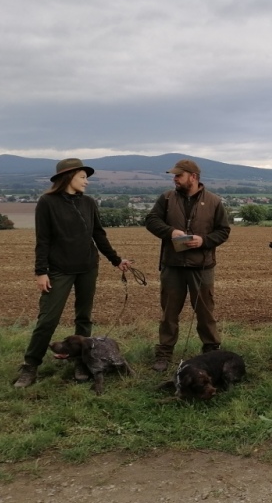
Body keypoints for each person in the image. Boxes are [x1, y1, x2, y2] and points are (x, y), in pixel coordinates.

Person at [14, 158, 131, 388]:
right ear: (68, 177)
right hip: (59, 270)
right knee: (48, 320)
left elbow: (98, 234)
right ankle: (30, 366)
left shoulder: (88, 202)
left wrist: (116, 260)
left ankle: (81, 362)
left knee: (84, 318)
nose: (86, 182)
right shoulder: (47, 202)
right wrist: (41, 272)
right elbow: (43, 239)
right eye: (82, 177)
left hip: (88, 267)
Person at [145, 159, 231, 371]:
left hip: (202, 266)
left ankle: (211, 351)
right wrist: (170, 232)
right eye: (174, 176)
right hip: (172, 265)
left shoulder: (213, 201)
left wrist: (204, 241)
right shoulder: (166, 198)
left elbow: (223, 231)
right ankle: (164, 353)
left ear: (193, 177)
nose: (175, 179)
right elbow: (151, 221)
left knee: (205, 313)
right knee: (169, 313)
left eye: (179, 175)